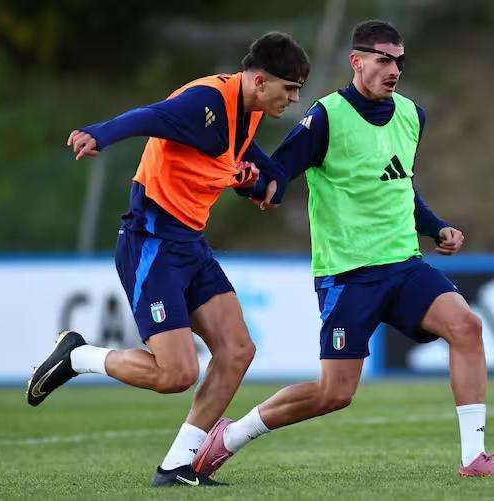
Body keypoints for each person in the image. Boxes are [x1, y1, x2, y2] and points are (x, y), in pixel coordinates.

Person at [192, 20, 494, 479]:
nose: (393, 70)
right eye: (384, 60)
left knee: (466, 326)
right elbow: (279, 172)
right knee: (335, 394)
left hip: (404, 264)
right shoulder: (325, 117)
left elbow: (400, 182)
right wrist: (256, 186)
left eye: (399, 62)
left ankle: (474, 458)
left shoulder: (411, 115)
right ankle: (229, 436)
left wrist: (435, 227)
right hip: (348, 275)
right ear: (357, 61)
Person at [25, 32, 309, 487]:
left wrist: (264, 181)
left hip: (190, 243)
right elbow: (149, 116)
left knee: (238, 350)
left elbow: (240, 159)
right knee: (176, 373)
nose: (293, 99)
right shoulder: (205, 102)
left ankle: (176, 466)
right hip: (151, 242)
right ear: (259, 80)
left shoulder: (247, 109)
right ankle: (79, 356)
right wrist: (98, 134)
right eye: (289, 89)